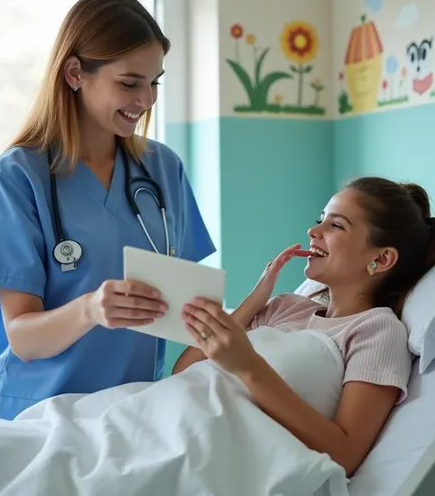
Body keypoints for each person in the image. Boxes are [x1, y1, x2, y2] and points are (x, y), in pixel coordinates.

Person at [0, 0, 215, 421]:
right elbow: (22, 336)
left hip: (130, 415)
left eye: (154, 83)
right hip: (36, 417)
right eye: (130, 83)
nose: (147, 100)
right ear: (76, 73)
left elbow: (184, 307)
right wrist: (90, 309)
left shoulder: (162, 170)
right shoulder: (19, 176)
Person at [176, 177, 435, 476]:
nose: (313, 231)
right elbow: (183, 371)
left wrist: (248, 366)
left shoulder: (378, 331)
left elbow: (344, 454)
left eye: (336, 225)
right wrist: (254, 300)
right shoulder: (284, 307)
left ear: (381, 258)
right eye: (320, 220)